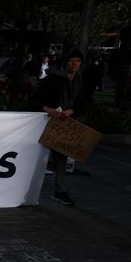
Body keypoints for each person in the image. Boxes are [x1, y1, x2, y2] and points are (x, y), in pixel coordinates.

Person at [30, 49, 84, 206]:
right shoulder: (53, 79)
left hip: (64, 123)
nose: (75, 63)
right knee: (38, 155)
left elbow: (82, 102)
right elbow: (34, 99)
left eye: (78, 61)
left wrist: (70, 111)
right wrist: (48, 109)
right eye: (71, 60)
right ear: (65, 62)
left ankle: (60, 191)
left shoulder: (79, 80)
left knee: (61, 156)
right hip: (47, 120)